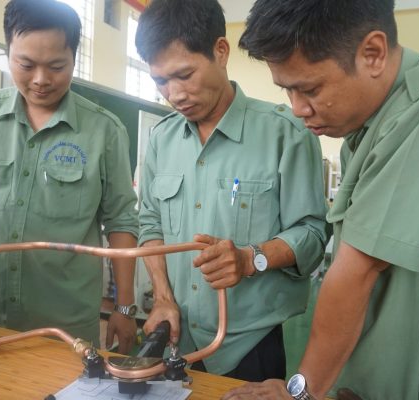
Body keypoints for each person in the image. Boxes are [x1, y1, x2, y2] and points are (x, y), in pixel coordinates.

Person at [223, 0, 419, 399]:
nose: (297, 109)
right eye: (287, 90)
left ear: (373, 54)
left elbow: (357, 271)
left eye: (309, 89)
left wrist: (300, 392)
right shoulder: (363, 134)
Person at [135, 0, 331, 382]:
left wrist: (250, 258)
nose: (174, 94)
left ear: (220, 52)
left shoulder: (285, 134)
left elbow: (311, 234)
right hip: (177, 337)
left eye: (184, 74)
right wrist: (162, 297)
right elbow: (150, 223)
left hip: (249, 346)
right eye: (161, 81)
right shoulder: (161, 140)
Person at [0, 0, 139, 352]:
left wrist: (124, 306)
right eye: (25, 64)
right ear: (7, 52)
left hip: (64, 328)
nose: (41, 80)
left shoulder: (105, 132)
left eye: (57, 66)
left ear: (74, 58)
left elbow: (121, 220)